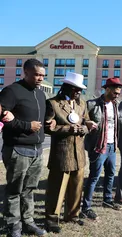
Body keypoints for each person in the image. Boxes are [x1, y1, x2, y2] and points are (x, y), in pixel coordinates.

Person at [0, 59, 49, 237]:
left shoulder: (41, 94)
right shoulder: (12, 91)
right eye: (36, 74)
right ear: (25, 72)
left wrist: (48, 124)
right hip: (17, 149)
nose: (40, 78)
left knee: (29, 190)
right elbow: (1, 114)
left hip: (37, 150)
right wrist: (26, 126)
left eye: (42, 75)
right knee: (14, 191)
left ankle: (28, 222)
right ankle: (13, 226)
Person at [44, 72, 94, 233]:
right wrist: (67, 128)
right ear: (66, 87)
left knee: (77, 186)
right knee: (57, 188)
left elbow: (87, 122)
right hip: (61, 154)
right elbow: (47, 128)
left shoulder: (82, 104)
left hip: (79, 153)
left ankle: (72, 215)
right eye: (75, 89)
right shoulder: (52, 104)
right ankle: (52, 219)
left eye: (80, 90)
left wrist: (84, 128)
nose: (78, 92)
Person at [80, 78, 122, 220]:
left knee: (110, 174)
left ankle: (107, 199)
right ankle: (86, 207)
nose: (117, 95)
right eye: (115, 92)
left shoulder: (115, 105)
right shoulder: (92, 104)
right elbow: (81, 119)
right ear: (107, 89)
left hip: (111, 145)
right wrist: (87, 122)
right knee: (94, 177)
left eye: (118, 93)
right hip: (98, 146)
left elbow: (117, 122)